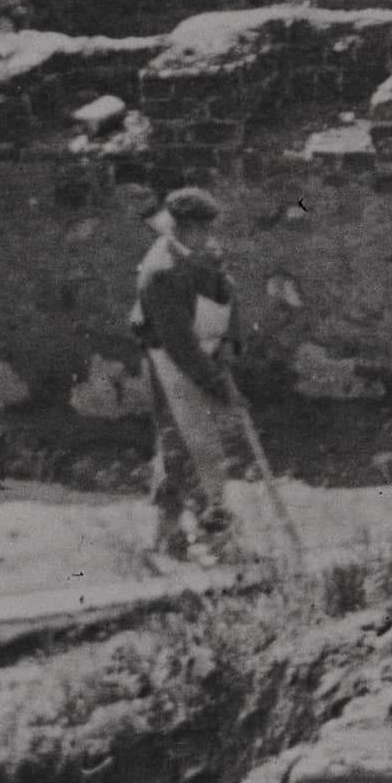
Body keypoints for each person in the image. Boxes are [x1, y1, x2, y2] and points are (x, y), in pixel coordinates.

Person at [135, 186, 260, 563]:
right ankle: (211, 540)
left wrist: (230, 341)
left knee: (185, 449)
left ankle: (168, 537)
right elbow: (180, 345)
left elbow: (226, 293)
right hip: (172, 364)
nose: (208, 236)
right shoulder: (162, 271)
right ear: (181, 226)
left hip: (202, 357)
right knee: (194, 450)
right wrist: (219, 386)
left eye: (209, 229)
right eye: (201, 229)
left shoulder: (199, 253)